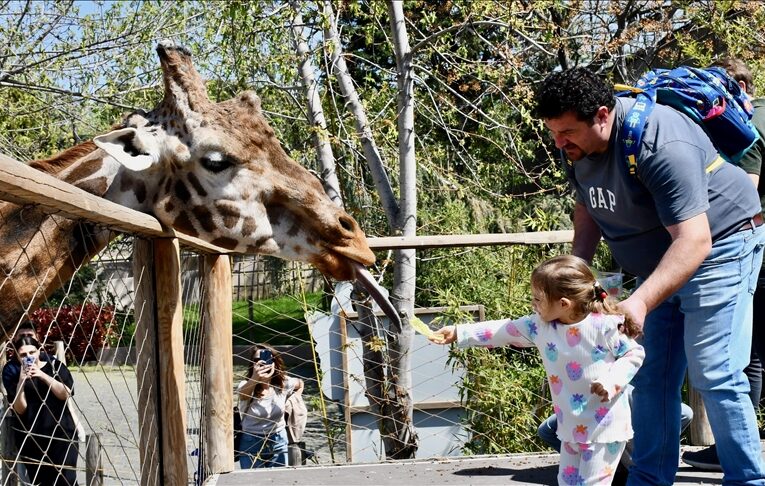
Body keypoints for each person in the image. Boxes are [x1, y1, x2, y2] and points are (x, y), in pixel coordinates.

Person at [535, 67, 765, 485]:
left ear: (602, 115)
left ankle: (748, 480)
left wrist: (640, 300)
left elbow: (695, 241)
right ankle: (649, 479)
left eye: (567, 131)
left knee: (714, 371)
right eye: (553, 131)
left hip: (721, 244)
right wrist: (573, 275)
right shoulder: (579, 149)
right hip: (659, 260)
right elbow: (588, 209)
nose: (559, 142)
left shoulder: (660, 142)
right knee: (651, 373)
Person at [430, 255, 645, 485]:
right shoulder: (539, 326)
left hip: (605, 426)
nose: (533, 304)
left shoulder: (604, 326)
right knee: (567, 481)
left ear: (564, 303)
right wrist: (459, 332)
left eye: (538, 299)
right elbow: (502, 330)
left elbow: (634, 353)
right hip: (570, 425)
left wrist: (613, 381)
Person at [681, 57, 765, 472]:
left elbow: (743, 195)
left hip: (747, 244)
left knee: (743, 356)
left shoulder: (742, 128)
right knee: (751, 353)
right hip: (753, 242)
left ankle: (730, 453)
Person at [8, 335, 78, 485]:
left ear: (39, 351)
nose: (28, 357)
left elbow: (66, 393)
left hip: (61, 435)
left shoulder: (55, 366)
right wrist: (21, 381)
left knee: (66, 481)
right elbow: (20, 409)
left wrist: (42, 375)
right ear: (17, 356)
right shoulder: (15, 374)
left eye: (32, 352)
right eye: (23, 355)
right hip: (33, 439)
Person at [237, 344, 304, 469]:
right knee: (252, 481)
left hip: (278, 439)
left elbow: (300, 384)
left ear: (275, 363)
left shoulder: (283, 384)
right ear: (252, 364)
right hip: (251, 443)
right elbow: (243, 395)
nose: (262, 363)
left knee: (279, 480)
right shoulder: (246, 385)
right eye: (257, 360)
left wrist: (292, 401)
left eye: (268, 359)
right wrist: (255, 378)